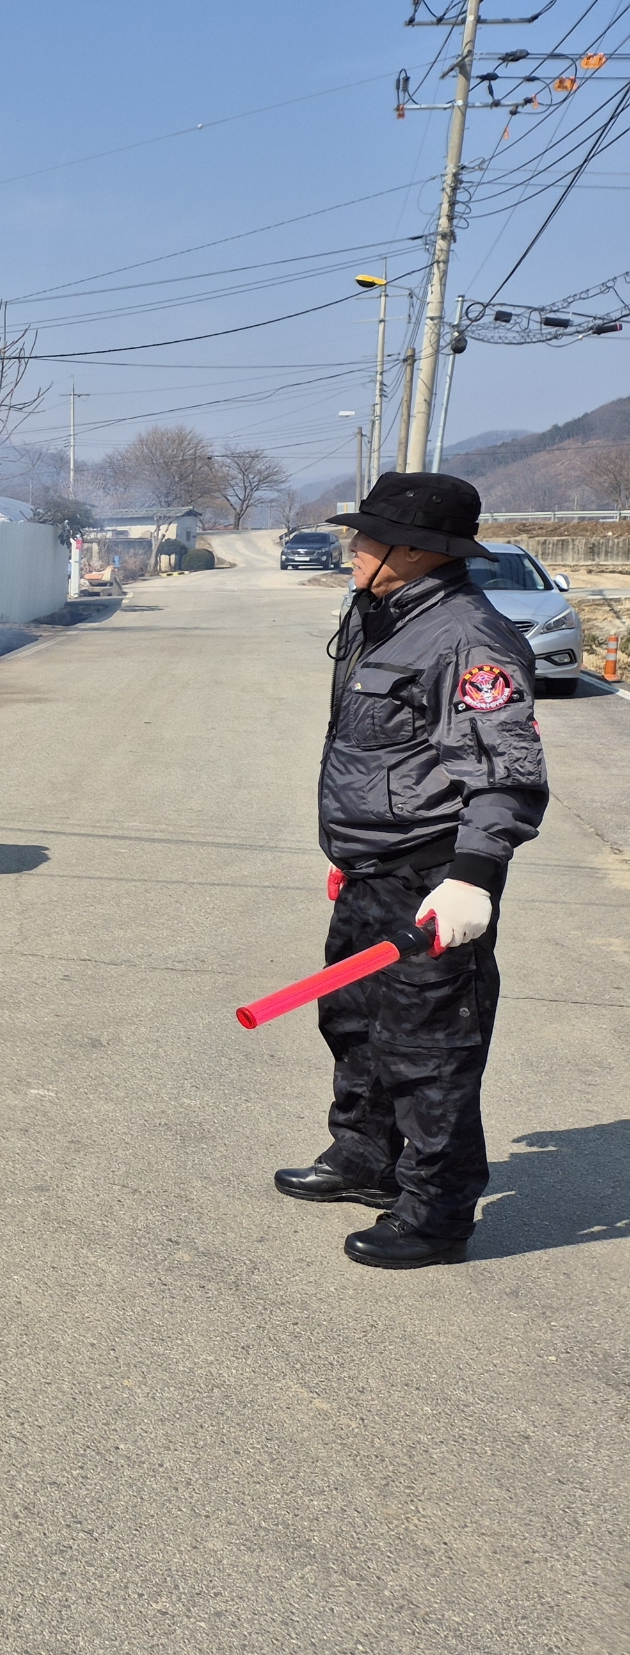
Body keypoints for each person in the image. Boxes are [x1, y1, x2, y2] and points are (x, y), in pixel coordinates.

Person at [277, 471, 547, 1268]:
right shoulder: (388, 616)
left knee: (429, 1052)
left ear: (420, 551)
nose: (355, 548)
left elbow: (504, 773)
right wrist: (353, 855)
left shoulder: (469, 639)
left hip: (431, 880)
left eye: (370, 537)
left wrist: (473, 877)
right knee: (355, 1024)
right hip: (372, 870)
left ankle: (435, 1215)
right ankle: (366, 1158)